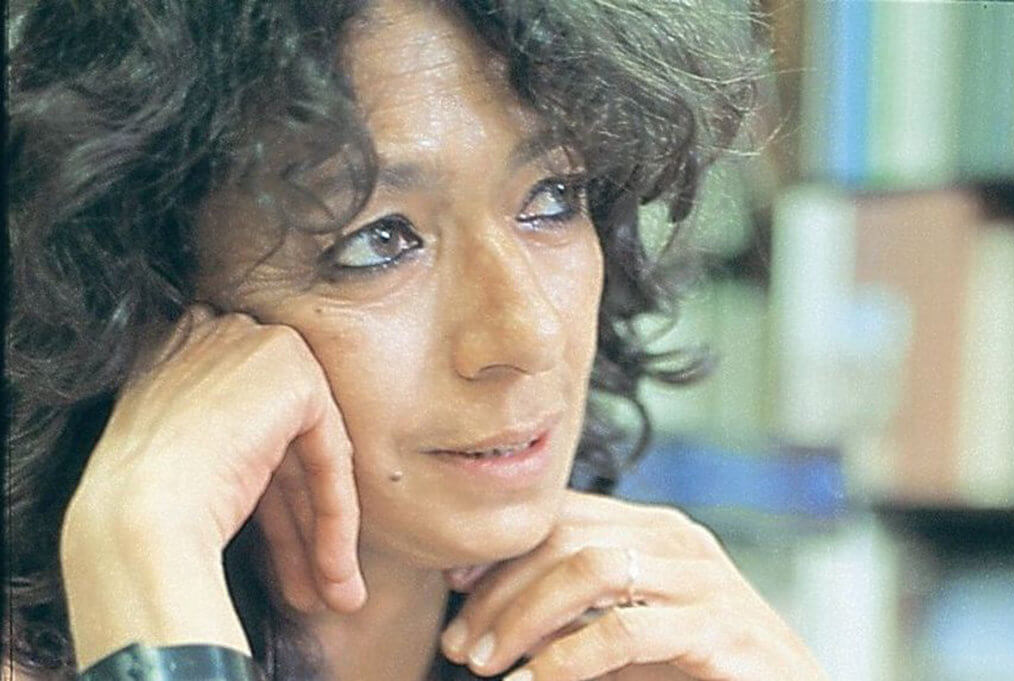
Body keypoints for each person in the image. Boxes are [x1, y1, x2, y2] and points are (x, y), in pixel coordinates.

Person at [5, 1, 828, 680]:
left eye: (552, 197)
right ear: (140, 286)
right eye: (381, 239)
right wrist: (145, 543)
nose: (527, 333)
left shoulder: (643, 652)